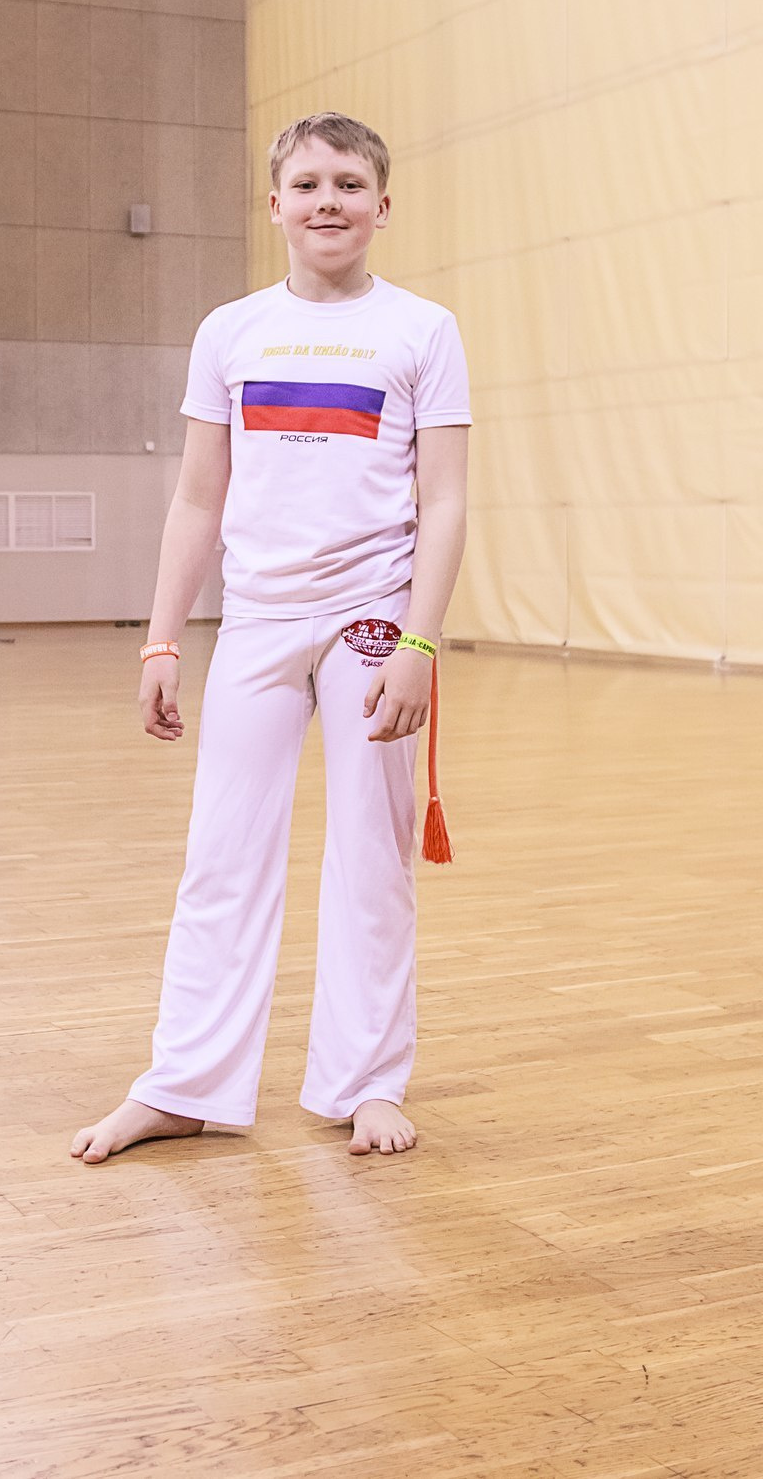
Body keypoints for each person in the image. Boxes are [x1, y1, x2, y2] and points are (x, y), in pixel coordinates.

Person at [72, 112, 471, 1165]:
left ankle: (365, 1081)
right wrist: (162, 641)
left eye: (348, 183)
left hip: (373, 625)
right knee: (221, 857)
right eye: (306, 183)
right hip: (254, 623)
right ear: (274, 205)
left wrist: (420, 646)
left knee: (371, 859)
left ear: (383, 205)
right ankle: (186, 1083)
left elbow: (446, 502)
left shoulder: (422, 330)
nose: (327, 199)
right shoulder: (230, 330)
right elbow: (198, 498)